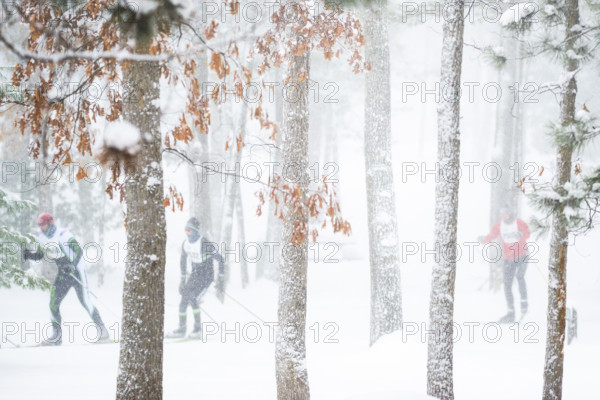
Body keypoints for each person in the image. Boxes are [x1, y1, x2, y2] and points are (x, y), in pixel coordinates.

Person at [23, 213, 109, 346]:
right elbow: (40, 255)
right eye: (39, 225)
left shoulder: (63, 234)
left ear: (50, 223)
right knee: (53, 303)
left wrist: (72, 265)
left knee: (85, 301)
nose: (41, 228)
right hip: (63, 275)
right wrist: (29, 255)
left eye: (43, 224)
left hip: (77, 272)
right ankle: (56, 336)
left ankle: (103, 331)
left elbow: (78, 250)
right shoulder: (42, 238)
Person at [166, 217, 225, 339]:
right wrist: (182, 280)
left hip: (206, 277)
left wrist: (220, 279)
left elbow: (221, 260)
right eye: (186, 230)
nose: (187, 233)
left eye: (189, 231)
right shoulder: (186, 244)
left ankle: (197, 330)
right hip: (195, 275)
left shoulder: (204, 244)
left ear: (196, 231)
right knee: (183, 300)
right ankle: (181, 330)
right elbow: (182, 261)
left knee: (193, 299)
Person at [481, 206, 531, 323]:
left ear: (511, 213)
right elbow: (492, 235)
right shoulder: (499, 226)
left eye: (506, 214)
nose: (504, 216)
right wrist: (484, 239)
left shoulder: (519, 223)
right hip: (509, 259)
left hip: (522, 255)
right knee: (507, 284)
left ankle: (524, 304)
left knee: (520, 277)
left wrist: (521, 234)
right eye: (502, 214)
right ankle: (510, 312)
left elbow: (527, 233)